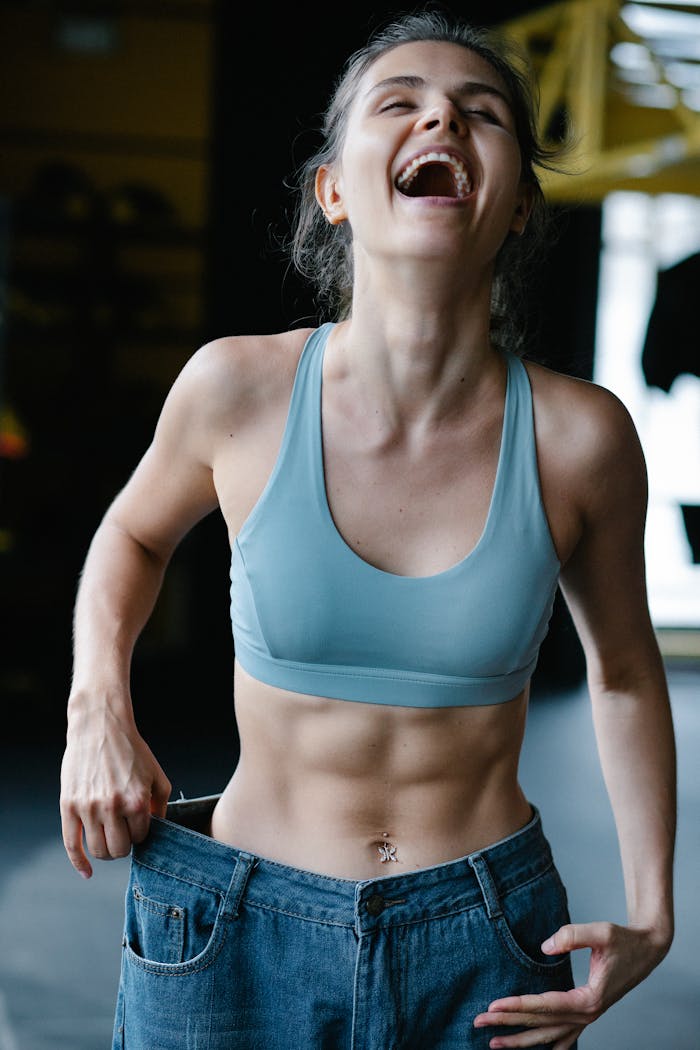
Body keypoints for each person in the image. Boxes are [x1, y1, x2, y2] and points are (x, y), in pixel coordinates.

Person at [59, 8, 676, 1049]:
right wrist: (95, 712)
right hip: (227, 931)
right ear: (334, 190)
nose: (441, 115)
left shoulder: (583, 439)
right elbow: (131, 535)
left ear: (519, 203)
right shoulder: (236, 387)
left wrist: (655, 910)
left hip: (484, 942)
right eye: (401, 103)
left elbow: (619, 671)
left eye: (480, 113)